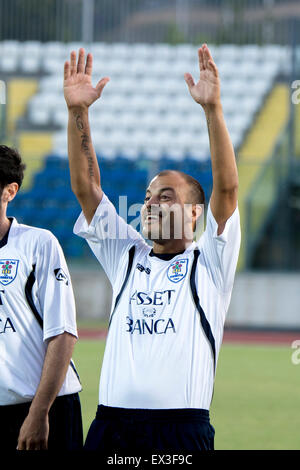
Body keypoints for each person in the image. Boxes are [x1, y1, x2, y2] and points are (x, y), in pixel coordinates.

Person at [64, 44, 240, 452]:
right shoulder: (126, 255)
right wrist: (78, 113)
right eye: (147, 196)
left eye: (165, 196)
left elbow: (227, 190)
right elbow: (86, 189)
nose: (149, 203)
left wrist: (212, 110)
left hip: (182, 432)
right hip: (111, 427)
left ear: (195, 213)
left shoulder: (209, 262)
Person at [0, 145, 83, 451]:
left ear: (10, 191)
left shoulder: (38, 244)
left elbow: (62, 333)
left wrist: (39, 412)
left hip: (42, 409)